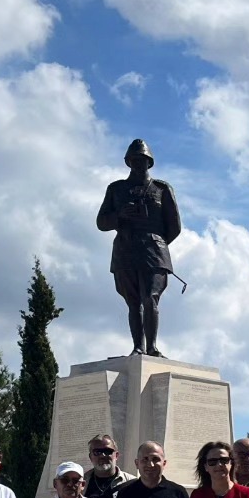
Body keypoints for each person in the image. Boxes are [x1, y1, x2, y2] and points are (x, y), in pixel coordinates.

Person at [95, 138, 182, 356]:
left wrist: (155, 243)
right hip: (125, 251)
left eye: (143, 159)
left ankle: (152, 347)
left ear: (149, 162)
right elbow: (101, 222)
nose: (138, 163)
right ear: (128, 162)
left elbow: (174, 226)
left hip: (154, 252)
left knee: (150, 297)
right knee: (133, 302)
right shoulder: (116, 189)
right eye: (134, 159)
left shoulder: (162, 189)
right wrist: (120, 216)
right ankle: (137, 347)